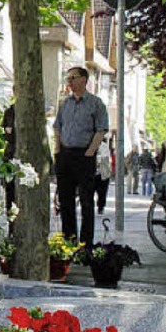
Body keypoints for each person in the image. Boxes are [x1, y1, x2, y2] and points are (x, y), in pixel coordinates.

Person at [53, 66, 109, 246]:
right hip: (65, 155)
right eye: (67, 78)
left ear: (84, 80)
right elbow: (57, 126)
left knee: (86, 201)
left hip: (84, 155)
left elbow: (101, 130)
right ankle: (69, 240)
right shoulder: (65, 103)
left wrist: (90, 151)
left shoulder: (96, 103)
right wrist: (57, 148)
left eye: (72, 78)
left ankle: (86, 244)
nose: (68, 82)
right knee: (65, 201)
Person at [94, 136, 112, 214]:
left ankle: (100, 207)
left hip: (102, 174)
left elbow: (104, 158)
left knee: (102, 193)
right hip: (92, 173)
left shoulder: (104, 146)